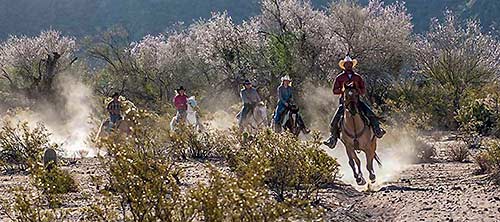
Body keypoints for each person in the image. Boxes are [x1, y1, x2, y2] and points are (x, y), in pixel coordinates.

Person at [323, 55, 386, 148]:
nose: (349, 65)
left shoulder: (357, 77)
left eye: (350, 64)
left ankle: (377, 130)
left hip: (357, 102)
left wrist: (356, 91)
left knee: (370, 113)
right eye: (347, 64)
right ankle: (332, 138)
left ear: (352, 65)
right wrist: (344, 91)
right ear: (344, 65)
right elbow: (334, 90)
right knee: (334, 121)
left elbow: (363, 90)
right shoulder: (340, 78)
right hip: (344, 103)